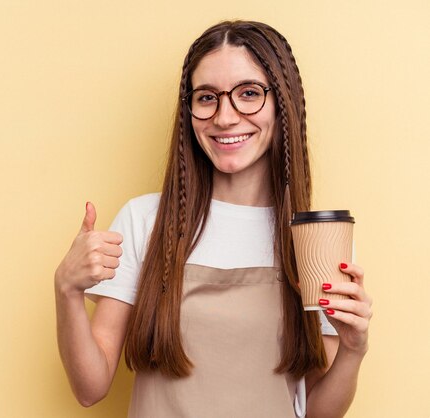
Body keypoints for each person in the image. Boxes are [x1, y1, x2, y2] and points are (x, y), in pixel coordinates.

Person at [54, 20, 372, 418]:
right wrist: (66, 290)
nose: (225, 117)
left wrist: (353, 350)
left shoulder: (316, 238)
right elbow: (90, 387)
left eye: (249, 94)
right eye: (207, 98)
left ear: (282, 102)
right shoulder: (144, 220)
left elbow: (317, 413)